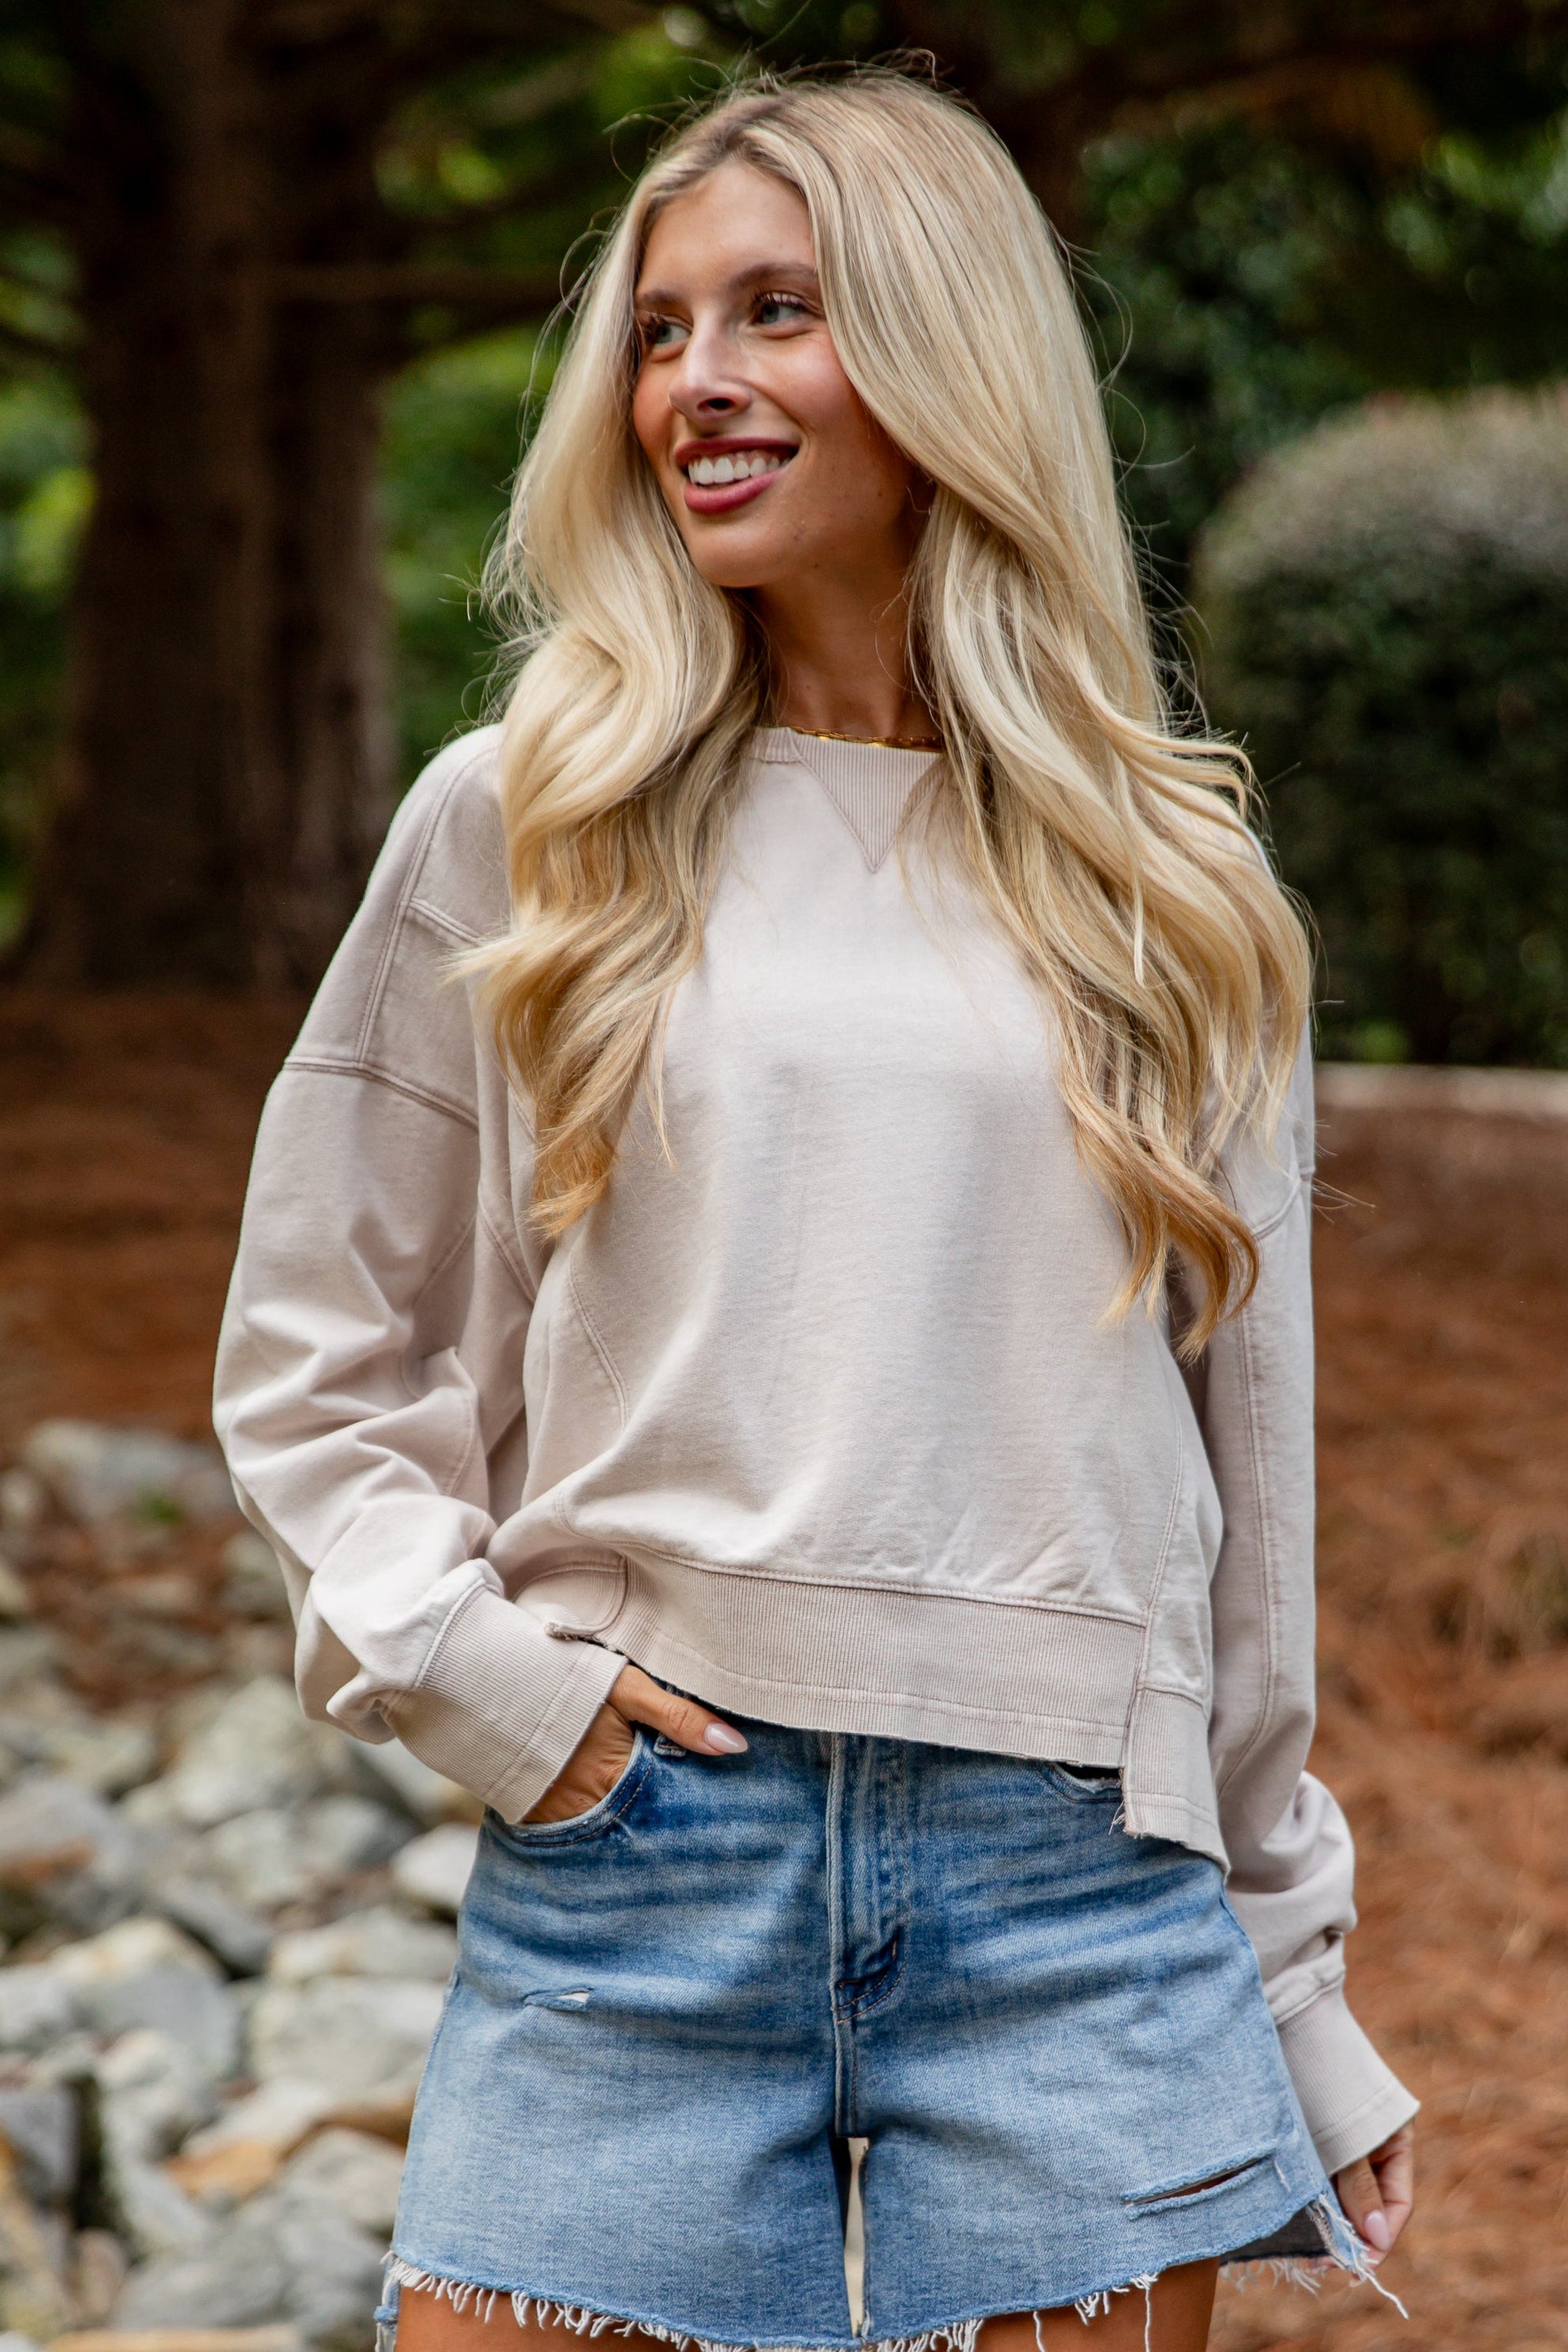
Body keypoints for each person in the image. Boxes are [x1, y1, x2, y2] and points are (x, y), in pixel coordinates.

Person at [215, 69, 1417, 2352]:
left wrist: (1289, 1971)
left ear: (946, 353)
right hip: (639, 1877)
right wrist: (472, 1676)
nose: (697, 385)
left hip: (1087, 1894)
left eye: (777, 312)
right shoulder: (524, 823)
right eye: (662, 332)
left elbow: (1241, 1504)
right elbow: (318, 1341)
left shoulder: (1163, 878)